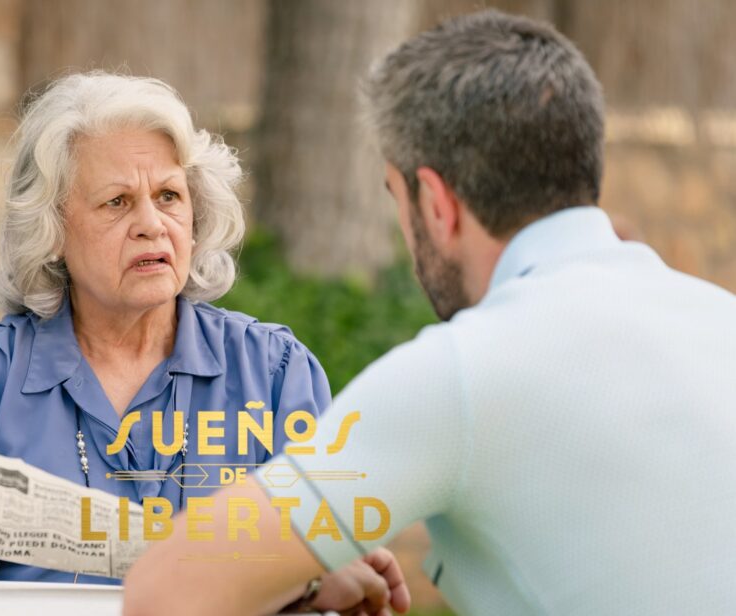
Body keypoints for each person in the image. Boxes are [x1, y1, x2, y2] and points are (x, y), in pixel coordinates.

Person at [123, 10, 736, 616]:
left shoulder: (461, 374)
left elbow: (164, 595)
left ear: (437, 206)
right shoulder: (719, 319)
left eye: (398, 199)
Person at [0, 72, 408, 611]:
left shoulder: (276, 374)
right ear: (52, 231)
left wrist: (319, 574)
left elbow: (327, 546)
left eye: (168, 196)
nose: (151, 224)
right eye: (116, 202)